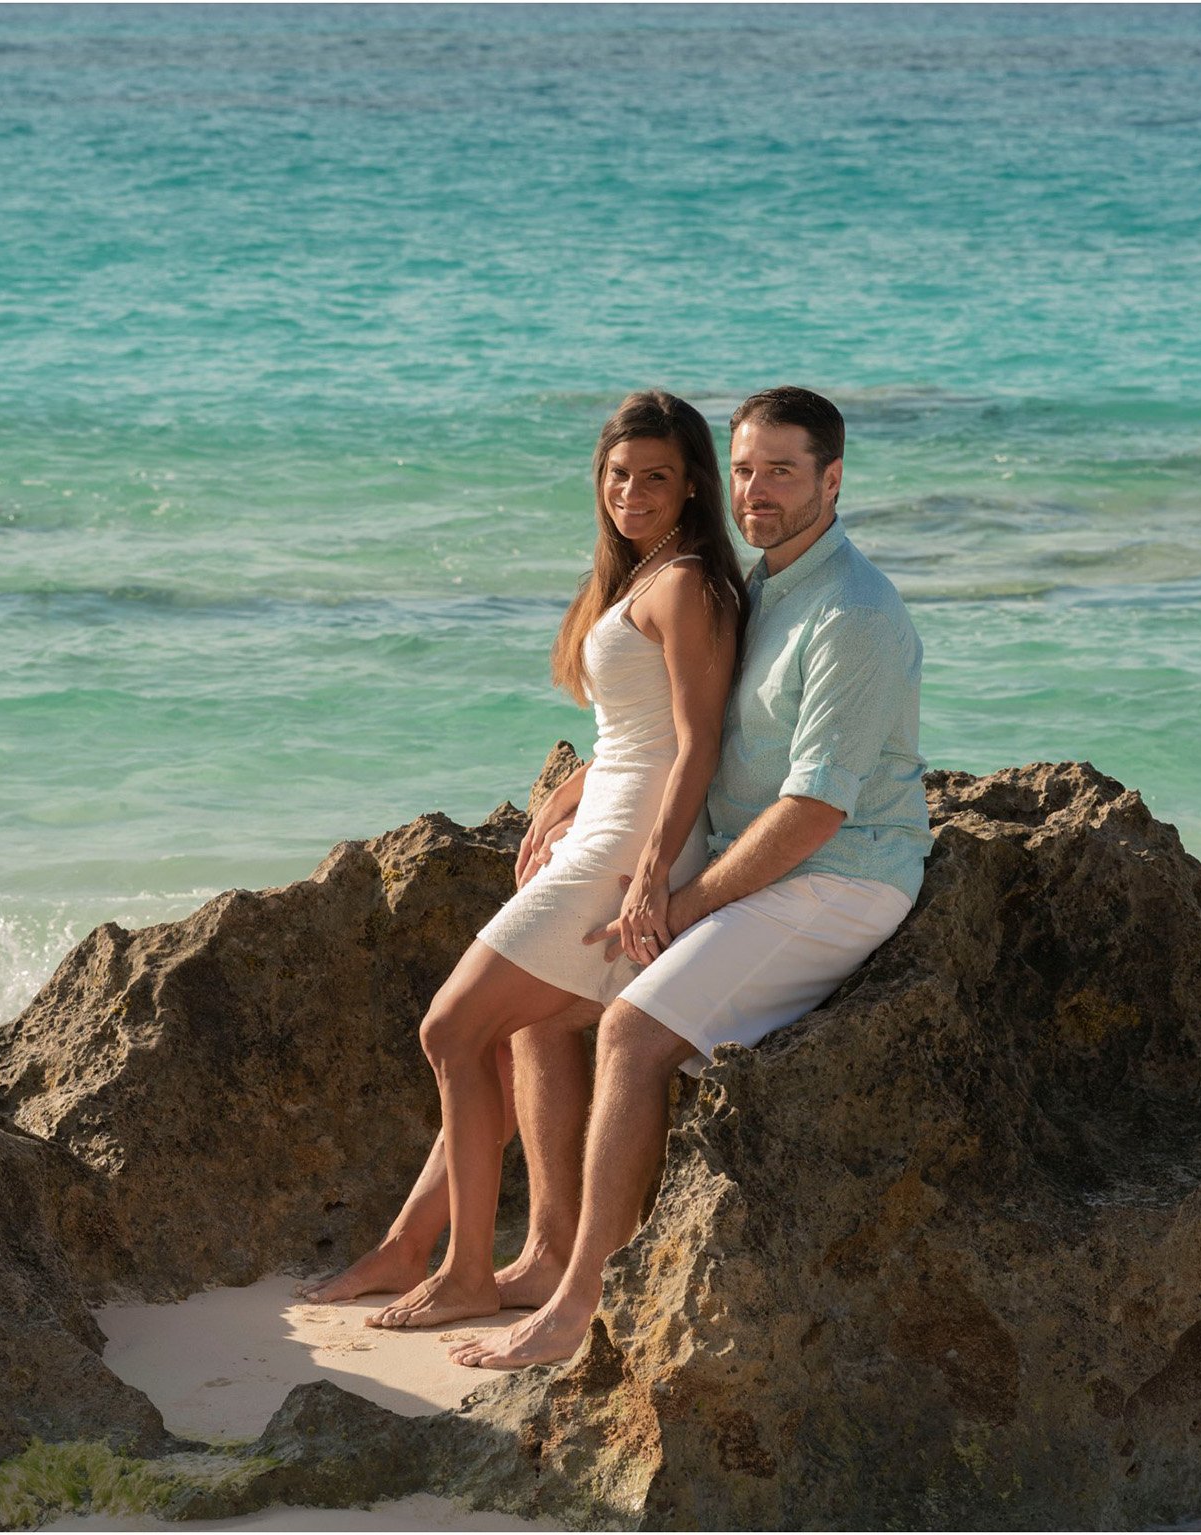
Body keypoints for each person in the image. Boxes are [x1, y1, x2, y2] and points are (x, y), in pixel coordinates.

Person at [450, 386, 931, 1369]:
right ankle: (541, 1253)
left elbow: (813, 810)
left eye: (783, 471)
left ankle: (581, 1303)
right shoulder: (763, 585)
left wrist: (676, 905)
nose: (758, 490)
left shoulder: (852, 612)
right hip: (749, 868)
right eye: (746, 469)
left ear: (832, 479)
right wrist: (580, 786)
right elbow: (680, 720)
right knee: (551, 1014)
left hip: (837, 879)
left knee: (627, 1030)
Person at [298, 390, 749, 1330]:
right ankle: (432, 1247)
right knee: (509, 1035)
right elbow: (642, 727)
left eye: (656, 477)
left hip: (628, 854)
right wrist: (572, 784)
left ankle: (460, 1269)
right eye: (618, 475)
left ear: (693, 484)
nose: (632, 492)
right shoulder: (641, 576)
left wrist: (656, 870)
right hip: (604, 827)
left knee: (448, 1030)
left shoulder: (685, 581)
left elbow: (698, 744)